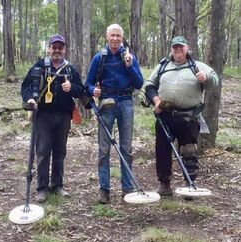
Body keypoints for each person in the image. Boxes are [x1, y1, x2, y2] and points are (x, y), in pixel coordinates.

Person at [145, 36, 219, 196]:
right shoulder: (162, 66)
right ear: (171, 49)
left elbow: (215, 80)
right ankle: (164, 185)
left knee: (189, 150)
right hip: (165, 116)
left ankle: (190, 185)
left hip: (189, 117)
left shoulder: (197, 66)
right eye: (175, 47)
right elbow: (149, 85)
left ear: (187, 48)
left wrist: (205, 78)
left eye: (181, 47)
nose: (178, 49)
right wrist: (156, 101)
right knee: (163, 151)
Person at [21, 34, 85, 203]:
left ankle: (57, 185)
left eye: (60, 47)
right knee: (42, 152)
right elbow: (26, 86)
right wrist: (30, 98)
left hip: (64, 116)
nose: (57, 50)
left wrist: (71, 87)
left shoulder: (70, 69)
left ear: (64, 49)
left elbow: (80, 90)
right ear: (49, 48)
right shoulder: (39, 66)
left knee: (60, 152)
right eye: (54, 47)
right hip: (42, 115)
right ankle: (42, 188)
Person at [85, 24, 144, 204]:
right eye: (112, 35)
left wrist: (129, 66)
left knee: (126, 148)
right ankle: (104, 190)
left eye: (118, 36)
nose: (115, 39)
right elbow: (88, 83)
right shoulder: (99, 58)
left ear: (122, 38)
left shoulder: (129, 57)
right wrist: (93, 90)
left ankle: (127, 188)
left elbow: (139, 83)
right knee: (104, 149)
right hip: (106, 104)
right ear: (107, 37)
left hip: (126, 103)